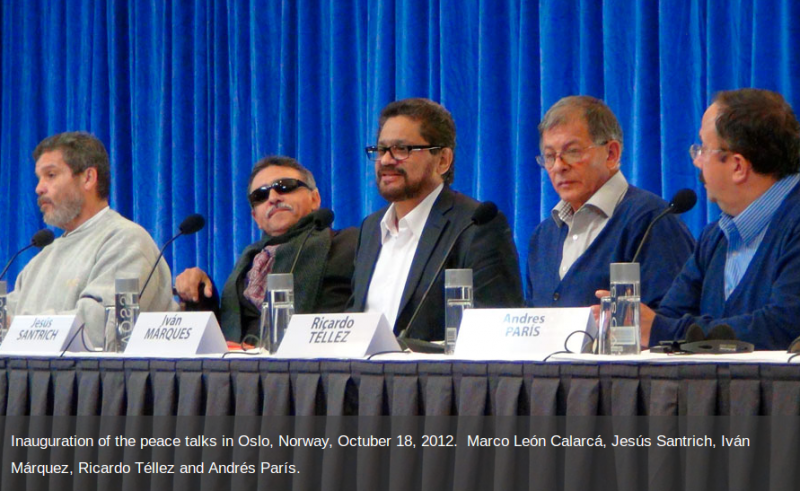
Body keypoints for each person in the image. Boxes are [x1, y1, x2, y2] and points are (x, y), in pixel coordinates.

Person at [349, 98, 523, 341]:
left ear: (442, 160)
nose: (386, 160)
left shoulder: (476, 226)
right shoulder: (370, 228)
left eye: (402, 149)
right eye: (381, 149)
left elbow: (498, 332)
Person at [643, 88, 800, 350]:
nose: (696, 161)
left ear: (737, 166)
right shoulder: (714, 236)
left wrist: (661, 329)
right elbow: (669, 316)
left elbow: (784, 326)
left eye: (703, 149)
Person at [7, 131, 176, 348]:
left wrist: (17, 327)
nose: (39, 188)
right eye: (39, 178)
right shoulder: (43, 256)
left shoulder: (126, 240)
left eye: (51, 175)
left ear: (88, 178)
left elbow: (100, 327)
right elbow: (10, 310)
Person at [528, 96, 695, 308]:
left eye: (572, 152)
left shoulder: (652, 221)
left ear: (611, 153)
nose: (559, 166)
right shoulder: (543, 237)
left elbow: (676, 318)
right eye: (550, 156)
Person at [175, 156, 357, 343]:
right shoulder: (249, 262)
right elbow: (219, 338)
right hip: (239, 368)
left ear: (315, 199)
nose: (273, 197)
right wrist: (201, 293)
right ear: (256, 218)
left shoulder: (350, 244)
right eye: (260, 196)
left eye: (285, 186)